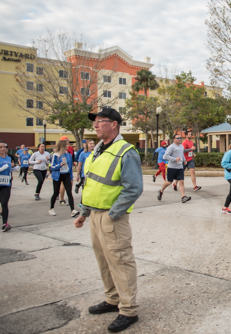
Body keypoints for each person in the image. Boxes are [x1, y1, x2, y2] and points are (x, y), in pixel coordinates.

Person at [73, 107, 143, 333]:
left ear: (113, 124)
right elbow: (92, 184)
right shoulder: (98, 151)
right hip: (95, 215)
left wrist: (113, 214)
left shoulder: (126, 151)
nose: (95, 125)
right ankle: (112, 299)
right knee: (104, 260)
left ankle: (129, 309)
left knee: (121, 261)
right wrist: (84, 213)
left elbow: (133, 188)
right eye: (95, 122)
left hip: (113, 217)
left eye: (100, 121)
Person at [157, 134, 191, 203]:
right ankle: (161, 191)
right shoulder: (171, 147)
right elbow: (166, 156)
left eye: (180, 138)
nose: (179, 139)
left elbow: (182, 155)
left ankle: (183, 197)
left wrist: (184, 160)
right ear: (174, 139)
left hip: (180, 167)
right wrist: (175, 159)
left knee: (181, 181)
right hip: (172, 167)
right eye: (178, 138)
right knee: (169, 182)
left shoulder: (181, 146)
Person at [49, 140, 79, 217]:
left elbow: (70, 167)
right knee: (56, 192)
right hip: (57, 175)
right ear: (62, 145)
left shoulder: (68, 155)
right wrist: (60, 165)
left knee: (69, 192)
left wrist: (71, 177)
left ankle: (73, 210)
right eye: (67, 144)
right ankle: (51, 208)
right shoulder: (55, 155)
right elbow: (52, 167)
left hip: (66, 175)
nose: (68, 145)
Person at [0, 140, 20, 232]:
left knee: (4, 203)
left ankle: (5, 224)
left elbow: (9, 169)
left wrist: (14, 169)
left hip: (6, 184)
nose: (3, 149)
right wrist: (1, 169)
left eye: (4, 147)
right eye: (1, 147)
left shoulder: (8, 158)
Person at [59, 136, 75, 205]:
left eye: (68, 140)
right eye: (65, 140)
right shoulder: (60, 149)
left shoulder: (70, 148)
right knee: (64, 185)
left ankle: (69, 199)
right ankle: (61, 199)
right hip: (63, 169)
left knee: (70, 184)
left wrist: (74, 162)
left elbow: (73, 156)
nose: (67, 141)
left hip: (69, 168)